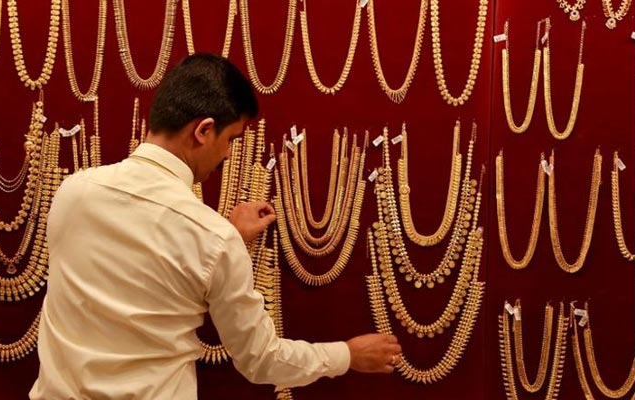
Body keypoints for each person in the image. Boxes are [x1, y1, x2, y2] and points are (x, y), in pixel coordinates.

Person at [30, 53, 401, 400]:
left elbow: (129, 270)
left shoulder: (73, 193)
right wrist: (347, 355)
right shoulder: (211, 238)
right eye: (231, 140)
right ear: (203, 130)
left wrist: (226, 241)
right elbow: (261, 359)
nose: (227, 155)